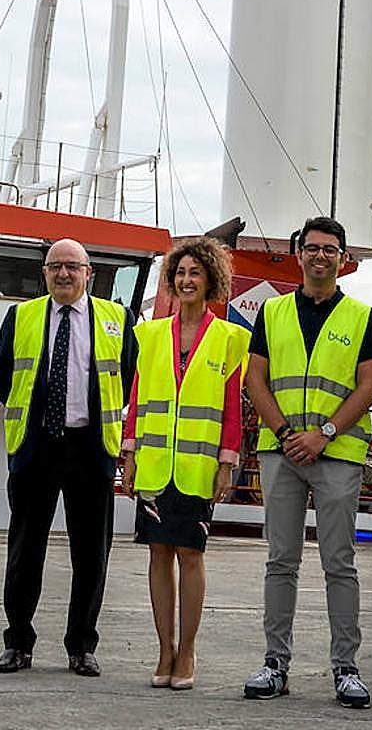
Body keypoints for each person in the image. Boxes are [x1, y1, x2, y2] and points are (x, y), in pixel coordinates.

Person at [241, 216, 372, 707]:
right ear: (297, 253)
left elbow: (368, 386)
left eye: (330, 249)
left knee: (339, 563)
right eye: (312, 248)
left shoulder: (362, 317)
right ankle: (274, 664)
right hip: (282, 453)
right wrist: (286, 434)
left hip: (337, 454)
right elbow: (254, 379)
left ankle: (346, 668)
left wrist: (323, 434)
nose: (320, 256)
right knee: (280, 561)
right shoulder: (272, 313)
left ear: (343, 259)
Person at [0, 239, 137, 678]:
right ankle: (18, 642)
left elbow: (128, 376)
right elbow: (3, 379)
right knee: (24, 550)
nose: (64, 274)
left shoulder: (116, 319)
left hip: (90, 449)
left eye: (73, 266)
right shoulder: (22, 317)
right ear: (45, 273)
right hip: (36, 447)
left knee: (92, 553)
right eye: (56, 266)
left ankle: (81, 646)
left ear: (88, 272)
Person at [120, 237, 250, 691]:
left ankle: (189, 650)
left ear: (211, 279)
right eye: (180, 273)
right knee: (158, 554)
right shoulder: (150, 334)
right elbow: (137, 399)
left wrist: (226, 463)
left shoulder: (232, 338)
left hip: (198, 467)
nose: (187, 280)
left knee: (191, 555)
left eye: (195, 273)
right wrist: (129, 453)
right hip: (155, 463)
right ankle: (164, 649)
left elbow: (232, 409)